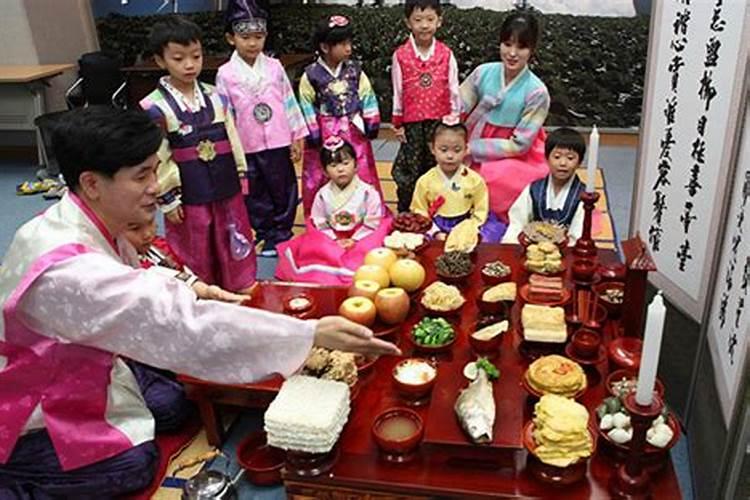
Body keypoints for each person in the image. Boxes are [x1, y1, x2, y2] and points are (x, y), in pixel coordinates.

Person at [0, 106, 400, 499]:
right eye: (142, 176)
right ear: (91, 183)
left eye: (155, 170)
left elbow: (136, 284)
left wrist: (200, 289)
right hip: (37, 397)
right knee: (137, 463)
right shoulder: (65, 270)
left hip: (91, 359)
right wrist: (309, 332)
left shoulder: (83, 218)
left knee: (175, 408)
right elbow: (178, 322)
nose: (156, 186)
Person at [140, 15, 257, 293]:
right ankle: (200, 292)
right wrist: (167, 197)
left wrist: (241, 173)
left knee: (233, 234)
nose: (190, 64)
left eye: (196, 55)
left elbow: (233, 137)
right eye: (179, 58)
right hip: (188, 189)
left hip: (226, 182)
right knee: (195, 242)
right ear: (160, 61)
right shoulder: (154, 107)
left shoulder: (217, 96)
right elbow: (158, 155)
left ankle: (239, 286)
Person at [216, 0, 308, 258]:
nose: (253, 43)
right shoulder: (225, 74)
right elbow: (226, 113)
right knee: (254, 191)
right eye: (245, 37)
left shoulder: (274, 67)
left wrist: (296, 135)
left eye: (258, 36)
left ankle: (283, 232)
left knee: (284, 187)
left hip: (278, 139)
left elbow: (288, 100)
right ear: (231, 38)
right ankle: (267, 234)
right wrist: (230, 149)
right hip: (246, 143)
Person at [459, 12, 550, 223]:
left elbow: (520, 144)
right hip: (469, 139)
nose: (512, 53)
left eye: (521, 47)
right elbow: (458, 105)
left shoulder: (537, 92)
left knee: (497, 178)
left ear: (532, 50)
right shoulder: (483, 72)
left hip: (515, 153)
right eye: (507, 44)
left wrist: (473, 149)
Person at [275, 137, 392, 285]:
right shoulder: (323, 194)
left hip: (362, 235)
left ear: (356, 165)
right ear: (324, 171)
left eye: (345, 163)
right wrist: (334, 239)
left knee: (375, 246)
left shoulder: (368, 193)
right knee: (317, 246)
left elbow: (372, 221)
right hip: (331, 237)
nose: (340, 169)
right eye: (333, 165)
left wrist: (354, 240)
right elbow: (319, 221)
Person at [298, 14, 382, 215]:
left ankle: (368, 214)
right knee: (323, 171)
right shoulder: (311, 74)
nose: (348, 48)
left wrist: (371, 121)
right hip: (325, 130)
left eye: (349, 43)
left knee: (360, 169)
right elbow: (306, 102)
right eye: (342, 44)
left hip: (353, 128)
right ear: (325, 47)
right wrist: (313, 132)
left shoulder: (355, 71)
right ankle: (320, 216)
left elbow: (367, 95)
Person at [390, 0, 460, 213]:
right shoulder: (400, 55)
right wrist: (397, 123)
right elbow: (398, 90)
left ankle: (438, 211)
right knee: (411, 169)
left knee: (438, 166)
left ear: (439, 21)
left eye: (430, 19)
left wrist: (454, 119)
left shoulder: (446, 54)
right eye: (418, 20)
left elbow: (453, 86)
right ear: (408, 22)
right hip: (412, 125)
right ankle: (407, 211)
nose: (424, 25)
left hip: (440, 123)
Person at [410, 117, 505, 242]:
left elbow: (480, 210)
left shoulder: (475, 180)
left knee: (488, 237)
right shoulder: (425, 181)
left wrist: (469, 229)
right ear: (432, 148)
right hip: (436, 225)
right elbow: (419, 211)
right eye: (443, 150)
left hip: (467, 223)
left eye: (457, 150)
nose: (450, 156)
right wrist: (435, 232)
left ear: (466, 149)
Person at [124, 215, 248, 302]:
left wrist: (205, 290)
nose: (147, 234)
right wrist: (204, 291)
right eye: (135, 228)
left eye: (150, 223)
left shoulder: (159, 245)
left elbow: (182, 272)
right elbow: (157, 274)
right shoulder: (120, 265)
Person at [503, 127, 587, 244]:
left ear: (580, 162)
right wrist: (512, 245)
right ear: (547, 158)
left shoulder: (582, 195)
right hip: (533, 249)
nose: (563, 163)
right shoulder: (534, 189)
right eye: (557, 157)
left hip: (566, 252)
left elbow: (578, 235)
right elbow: (517, 223)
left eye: (570, 158)